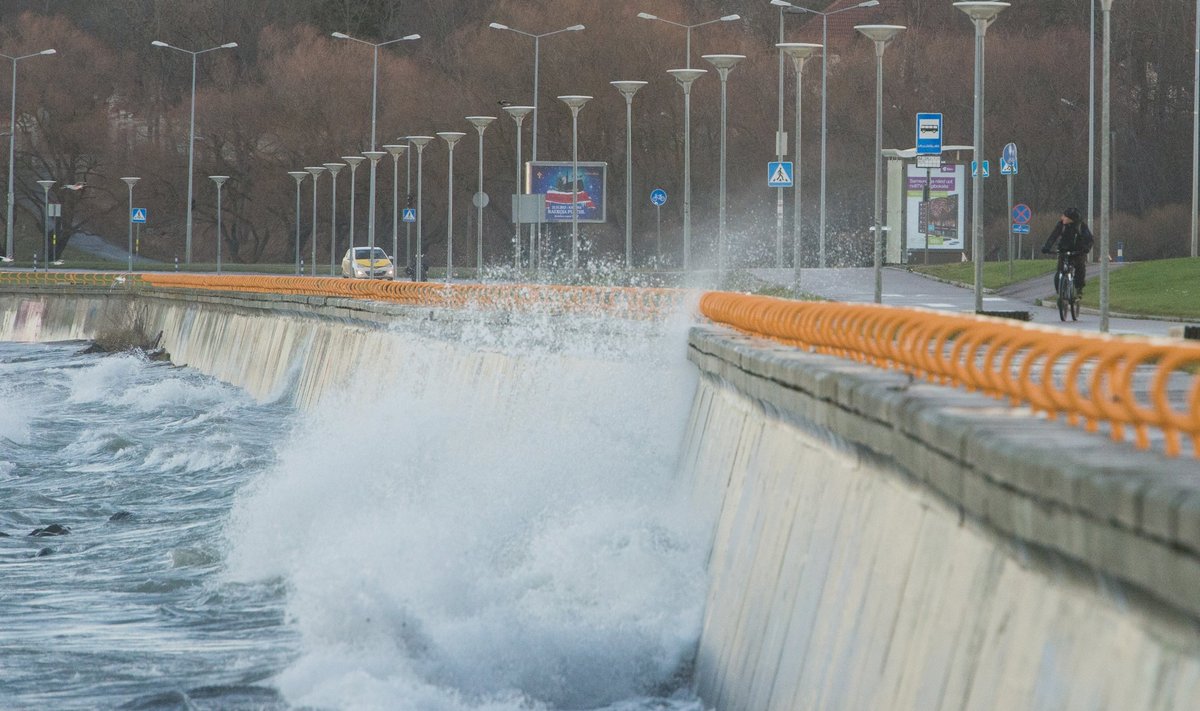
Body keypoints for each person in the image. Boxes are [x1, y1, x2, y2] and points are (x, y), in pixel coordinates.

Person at [1041, 207, 1094, 295]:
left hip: (1078, 251)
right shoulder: (1061, 225)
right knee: (1059, 272)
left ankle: (1079, 289)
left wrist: (1086, 248)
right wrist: (1047, 247)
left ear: (1071, 219)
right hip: (1063, 250)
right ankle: (1060, 294)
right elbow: (1053, 236)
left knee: (1080, 269)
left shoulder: (1082, 226)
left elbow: (1089, 239)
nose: (1062, 218)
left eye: (1065, 216)